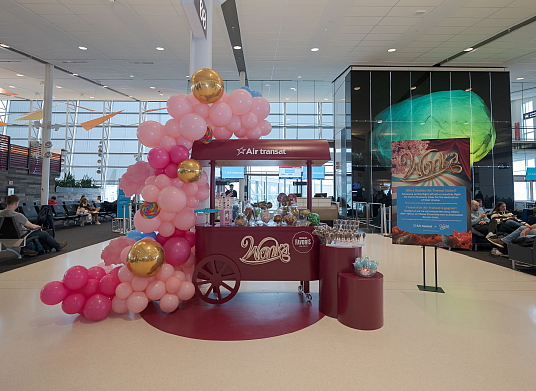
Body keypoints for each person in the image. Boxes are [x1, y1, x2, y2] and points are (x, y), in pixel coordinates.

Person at [0, 195, 67, 256]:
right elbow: (31, 226)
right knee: (44, 234)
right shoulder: (18, 215)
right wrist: (39, 227)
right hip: (19, 236)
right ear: (16, 203)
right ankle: (58, 246)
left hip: (2, 236)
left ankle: (26, 249)